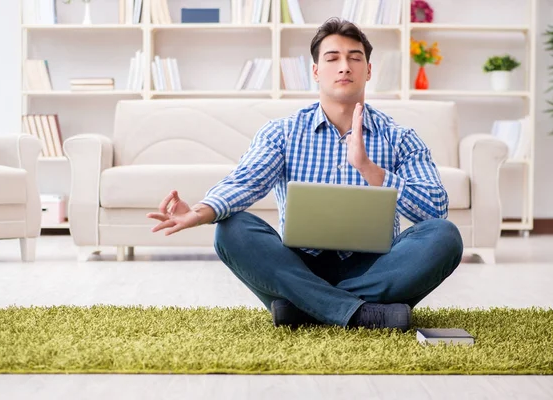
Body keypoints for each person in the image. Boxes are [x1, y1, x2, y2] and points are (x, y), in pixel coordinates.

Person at [147, 17, 463, 332]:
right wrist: (201, 212)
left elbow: (435, 211)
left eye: (355, 58)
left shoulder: (400, 137)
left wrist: (369, 169)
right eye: (332, 58)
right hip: (298, 266)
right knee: (231, 230)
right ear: (315, 71)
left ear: (368, 70)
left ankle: (304, 308)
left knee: (444, 237)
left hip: (377, 266)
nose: (344, 67)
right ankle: (359, 312)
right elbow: (246, 181)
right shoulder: (282, 132)